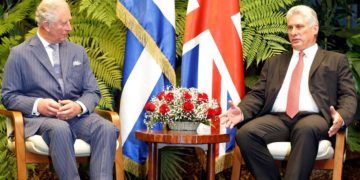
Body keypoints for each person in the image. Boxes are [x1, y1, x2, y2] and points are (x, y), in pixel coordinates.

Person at [220, 5, 357, 180]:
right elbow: (258, 94)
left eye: (299, 27)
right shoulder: (274, 62)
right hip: (278, 119)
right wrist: (242, 110)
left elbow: (348, 95)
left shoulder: (335, 60)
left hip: (315, 119)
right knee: (246, 134)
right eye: (290, 27)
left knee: (305, 129)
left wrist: (342, 116)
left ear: (315, 29)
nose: (293, 32)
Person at [1, 0, 119, 179]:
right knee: (60, 128)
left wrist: (78, 106)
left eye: (69, 21)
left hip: (78, 118)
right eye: (64, 23)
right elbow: (9, 96)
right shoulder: (20, 54)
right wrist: (38, 104)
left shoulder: (77, 52)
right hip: (42, 120)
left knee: (107, 128)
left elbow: (93, 92)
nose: (70, 28)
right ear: (46, 25)